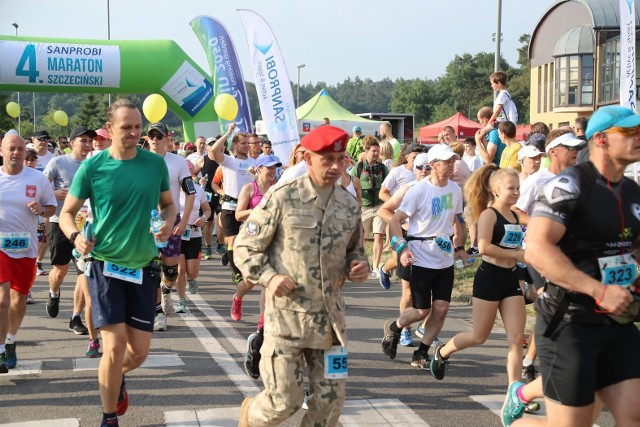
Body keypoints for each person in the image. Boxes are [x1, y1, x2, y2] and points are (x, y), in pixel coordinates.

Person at [505, 105, 640, 427]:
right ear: (601, 140)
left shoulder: (633, 191)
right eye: (630, 132)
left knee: (633, 416)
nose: (639, 137)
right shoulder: (568, 185)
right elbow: (537, 249)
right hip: (570, 323)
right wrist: (598, 289)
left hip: (617, 321)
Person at [234, 125, 369, 427]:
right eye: (327, 159)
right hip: (286, 321)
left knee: (331, 402)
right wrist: (269, 277)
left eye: (340, 159)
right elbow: (244, 247)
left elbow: (356, 251)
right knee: (284, 402)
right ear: (307, 158)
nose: (336, 167)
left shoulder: (348, 205)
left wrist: (359, 265)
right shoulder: (283, 197)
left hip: (331, 325)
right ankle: (250, 413)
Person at [58, 98, 175, 427]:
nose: (135, 133)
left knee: (137, 353)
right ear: (110, 130)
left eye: (138, 127)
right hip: (104, 265)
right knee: (113, 346)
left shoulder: (154, 165)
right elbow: (67, 213)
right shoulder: (93, 167)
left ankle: (114, 377)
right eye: (127, 127)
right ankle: (108, 417)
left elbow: (168, 205)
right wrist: (75, 236)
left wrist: (168, 220)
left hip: (143, 267)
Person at [430, 165, 526, 388]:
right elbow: (483, 247)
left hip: (511, 278)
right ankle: (443, 352)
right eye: (511, 188)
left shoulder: (515, 215)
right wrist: (519, 254)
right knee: (479, 336)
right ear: (496, 190)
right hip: (490, 278)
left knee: (515, 340)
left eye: (518, 188)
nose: (516, 192)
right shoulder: (488, 215)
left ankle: (515, 393)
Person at [381, 144, 469, 369]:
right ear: (433, 165)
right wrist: (402, 248)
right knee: (422, 310)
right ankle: (395, 327)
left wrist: (459, 247)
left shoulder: (455, 190)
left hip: (444, 256)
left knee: (441, 308)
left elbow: (455, 220)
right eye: (446, 161)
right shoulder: (419, 190)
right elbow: (394, 219)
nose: (451, 165)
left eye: (452, 161)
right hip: (420, 254)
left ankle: (421, 353)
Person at [0, 133, 56, 373]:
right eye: (11, 148)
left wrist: (41, 208)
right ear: (2, 150)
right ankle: (1, 350)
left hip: (26, 248)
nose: (16, 153)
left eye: (20, 149)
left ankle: (11, 341)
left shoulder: (37, 178)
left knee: (19, 299)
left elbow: (52, 207)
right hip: (1, 246)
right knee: (2, 300)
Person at [43, 126, 96, 336]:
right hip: (60, 222)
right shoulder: (58, 162)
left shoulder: (93, 165)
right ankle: (54, 292)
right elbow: (41, 186)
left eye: (89, 141)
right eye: (83, 140)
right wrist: (55, 193)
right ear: (72, 142)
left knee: (84, 273)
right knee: (60, 270)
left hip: (86, 225)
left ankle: (75, 317)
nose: (87, 144)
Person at [377, 153, 431, 348]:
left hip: (433, 248)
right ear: (412, 168)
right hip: (409, 243)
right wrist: (403, 226)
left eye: (428, 167)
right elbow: (384, 210)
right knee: (408, 294)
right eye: (420, 167)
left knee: (434, 299)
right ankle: (404, 330)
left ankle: (425, 330)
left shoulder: (443, 189)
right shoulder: (409, 189)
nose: (424, 171)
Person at [236, 154, 281, 380]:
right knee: (254, 282)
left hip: (273, 241)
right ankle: (239, 298)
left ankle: (261, 328)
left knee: (268, 284)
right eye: (269, 168)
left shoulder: (278, 188)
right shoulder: (249, 189)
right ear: (259, 169)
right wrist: (259, 211)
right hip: (253, 240)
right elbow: (238, 214)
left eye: (275, 168)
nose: (273, 172)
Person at [147, 122, 195, 332]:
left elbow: (190, 192)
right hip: (147, 223)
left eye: (159, 136)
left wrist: (184, 221)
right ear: (147, 138)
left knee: (171, 271)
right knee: (151, 269)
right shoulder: (140, 160)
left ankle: (166, 290)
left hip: (171, 221)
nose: (155, 140)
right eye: (151, 136)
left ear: (167, 138)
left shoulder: (178, 162)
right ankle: (158, 312)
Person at [210, 124, 257, 321]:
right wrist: (228, 134)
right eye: (243, 143)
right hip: (230, 207)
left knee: (248, 244)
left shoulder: (255, 162)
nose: (246, 146)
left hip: (248, 209)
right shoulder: (228, 161)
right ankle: (237, 273)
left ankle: (246, 268)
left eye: (248, 143)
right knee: (233, 242)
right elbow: (213, 151)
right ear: (235, 144)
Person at [175, 160, 211, 314]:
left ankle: (192, 279)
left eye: (189, 172)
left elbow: (208, 210)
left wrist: (203, 218)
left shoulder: (198, 190)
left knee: (192, 272)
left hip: (194, 234)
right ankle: (181, 301)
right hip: (177, 235)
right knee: (180, 270)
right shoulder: (172, 190)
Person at [350, 136, 389, 274]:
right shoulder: (358, 168)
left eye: (378, 151)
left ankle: (376, 266)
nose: (376, 154)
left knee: (378, 235)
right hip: (364, 207)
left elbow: (390, 185)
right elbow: (350, 185)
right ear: (366, 151)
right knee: (362, 238)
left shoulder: (384, 169)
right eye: (373, 151)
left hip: (379, 207)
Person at [478, 70, 518, 140]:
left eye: (492, 83)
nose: (491, 85)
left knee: (481, 132)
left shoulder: (502, 95)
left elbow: (497, 111)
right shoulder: (505, 94)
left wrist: (489, 123)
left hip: (501, 122)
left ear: (498, 83)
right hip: (502, 121)